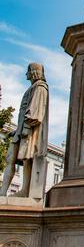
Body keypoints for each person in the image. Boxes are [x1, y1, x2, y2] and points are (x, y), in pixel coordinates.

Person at [0, 63, 48, 198]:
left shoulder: (40, 87)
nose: (25, 74)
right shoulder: (32, 88)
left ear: (33, 72)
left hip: (29, 130)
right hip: (21, 130)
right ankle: (3, 192)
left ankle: (26, 189)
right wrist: (16, 130)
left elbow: (35, 112)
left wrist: (25, 127)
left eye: (27, 71)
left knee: (27, 158)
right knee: (10, 158)